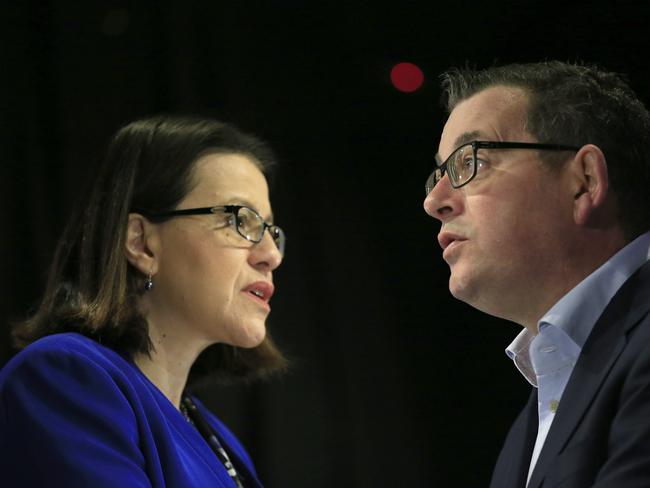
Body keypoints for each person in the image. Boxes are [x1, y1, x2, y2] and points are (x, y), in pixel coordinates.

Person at [0, 115, 287, 487]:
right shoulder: (63, 379)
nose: (270, 255)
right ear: (141, 243)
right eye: (241, 220)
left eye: (269, 230)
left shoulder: (216, 437)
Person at [423, 61, 650, 487]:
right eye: (439, 174)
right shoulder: (532, 421)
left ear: (584, 181)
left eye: (471, 163)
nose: (435, 201)